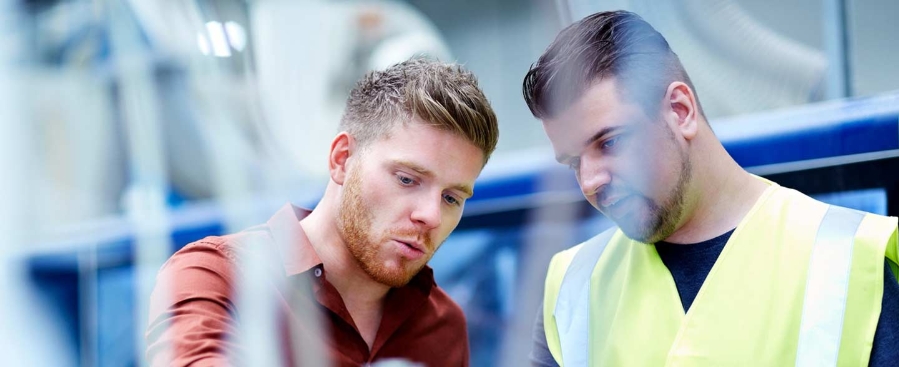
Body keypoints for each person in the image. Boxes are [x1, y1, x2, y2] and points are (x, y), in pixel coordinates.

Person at [522, 10, 898, 366]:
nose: (589, 181)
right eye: (573, 162)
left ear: (681, 111)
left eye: (611, 143)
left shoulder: (851, 261)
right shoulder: (573, 286)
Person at [145, 58, 499, 367]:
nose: (431, 216)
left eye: (452, 198)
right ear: (342, 159)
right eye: (407, 179)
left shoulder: (443, 325)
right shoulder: (216, 276)